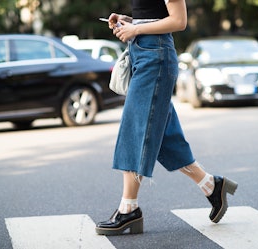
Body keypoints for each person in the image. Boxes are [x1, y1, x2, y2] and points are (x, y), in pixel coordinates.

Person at [95, 0, 238, 236]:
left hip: (156, 58)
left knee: (136, 128)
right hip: (143, 54)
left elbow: (179, 21)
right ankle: (212, 186)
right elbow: (155, 15)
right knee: (163, 136)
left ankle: (128, 208)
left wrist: (136, 29)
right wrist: (128, 21)